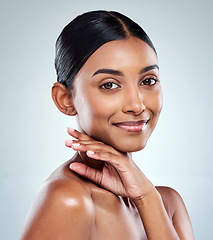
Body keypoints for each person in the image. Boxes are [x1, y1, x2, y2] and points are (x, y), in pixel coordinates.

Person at [20, 10, 194, 239]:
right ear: (65, 99)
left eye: (148, 81)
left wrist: (146, 197)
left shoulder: (167, 203)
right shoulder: (68, 200)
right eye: (110, 85)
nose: (137, 105)